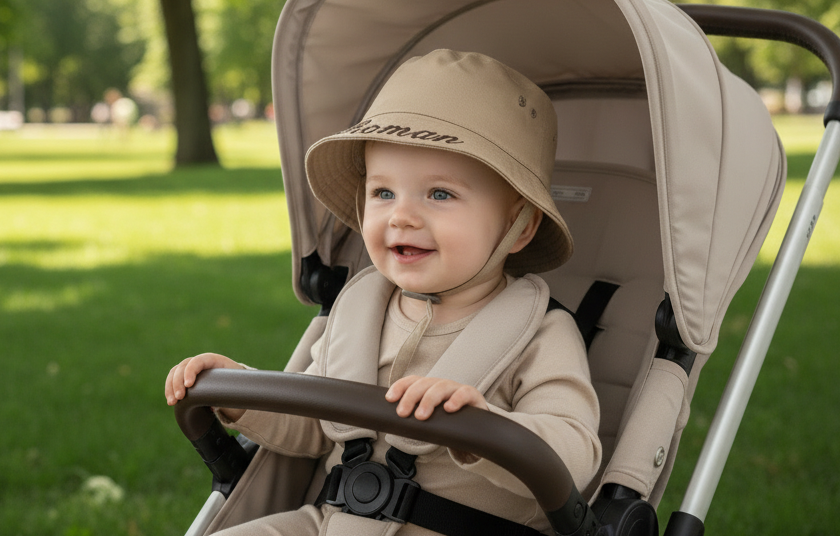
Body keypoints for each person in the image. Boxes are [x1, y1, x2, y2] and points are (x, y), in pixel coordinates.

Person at [165, 49, 602, 535]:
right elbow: (313, 425)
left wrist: (487, 427)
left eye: (440, 194)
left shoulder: (541, 334)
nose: (402, 216)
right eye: (383, 193)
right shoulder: (359, 313)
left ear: (520, 227)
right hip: (330, 523)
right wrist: (241, 394)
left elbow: (575, 455)